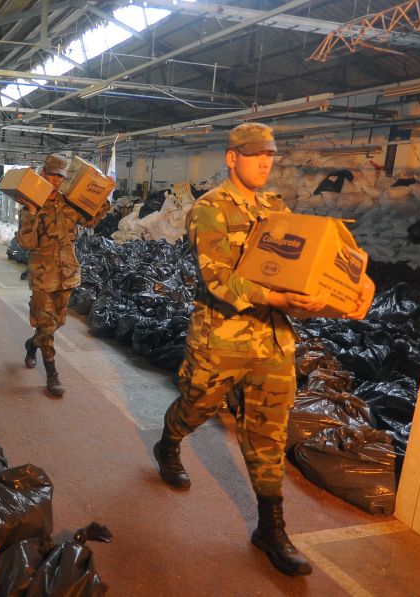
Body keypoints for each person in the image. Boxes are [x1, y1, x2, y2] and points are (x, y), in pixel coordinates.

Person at [152, 123, 375, 577]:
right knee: (197, 406)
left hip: (272, 341)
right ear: (232, 158)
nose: (265, 161)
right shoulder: (209, 208)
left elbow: (297, 264)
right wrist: (278, 298)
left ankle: (271, 528)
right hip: (222, 338)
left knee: (268, 432)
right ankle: (169, 441)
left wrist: (327, 294)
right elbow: (217, 278)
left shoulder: (276, 207)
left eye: (270, 154)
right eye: (255, 154)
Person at [16, 153, 110, 396]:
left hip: (67, 272)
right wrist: (30, 212)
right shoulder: (31, 204)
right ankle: (52, 373)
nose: (56, 180)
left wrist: (102, 199)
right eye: (52, 175)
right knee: (46, 323)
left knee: (58, 322)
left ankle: (31, 344)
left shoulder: (69, 203)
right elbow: (27, 243)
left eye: (60, 176)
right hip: (43, 274)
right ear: (43, 175)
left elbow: (90, 221)